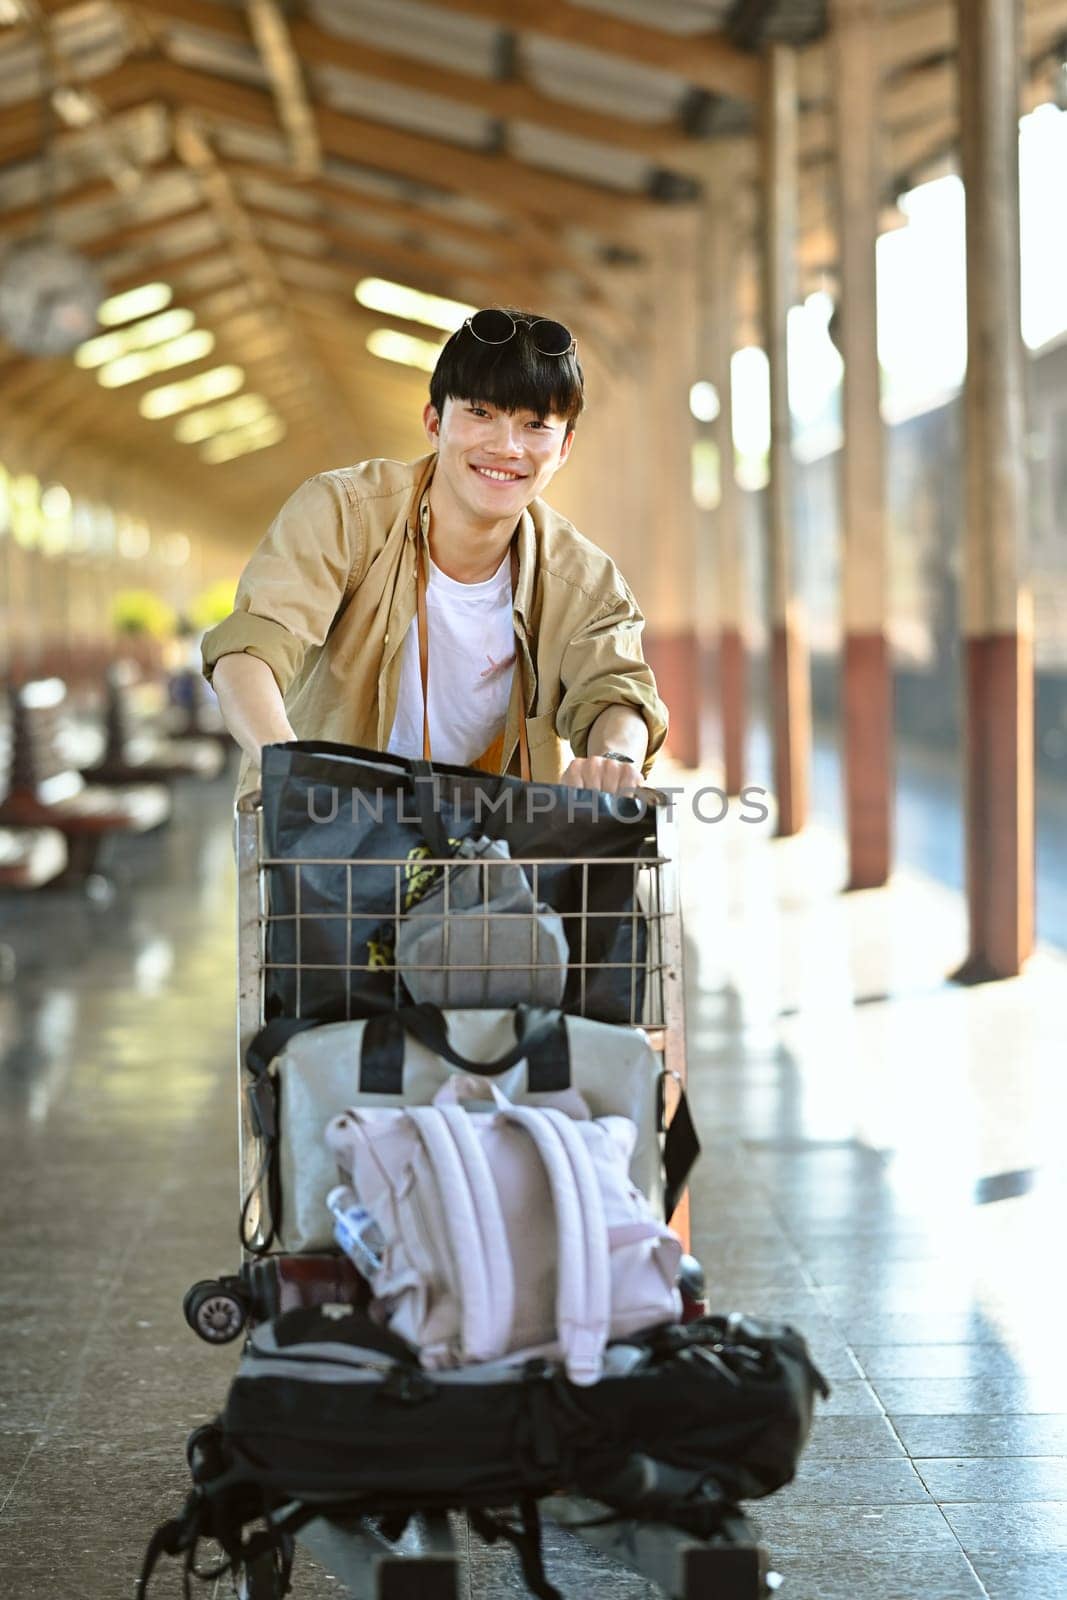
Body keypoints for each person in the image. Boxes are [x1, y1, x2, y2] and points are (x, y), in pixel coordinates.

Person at [202, 307, 668, 800]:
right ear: (434, 421)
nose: (507, 447)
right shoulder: (346, 515)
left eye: (535, 425)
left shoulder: (583, 581)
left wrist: (615, 759)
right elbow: (250, 650)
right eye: (481, 413)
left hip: (490, 845)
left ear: (565, 447)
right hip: (326, 836)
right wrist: (290, 769)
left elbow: (615, 690)